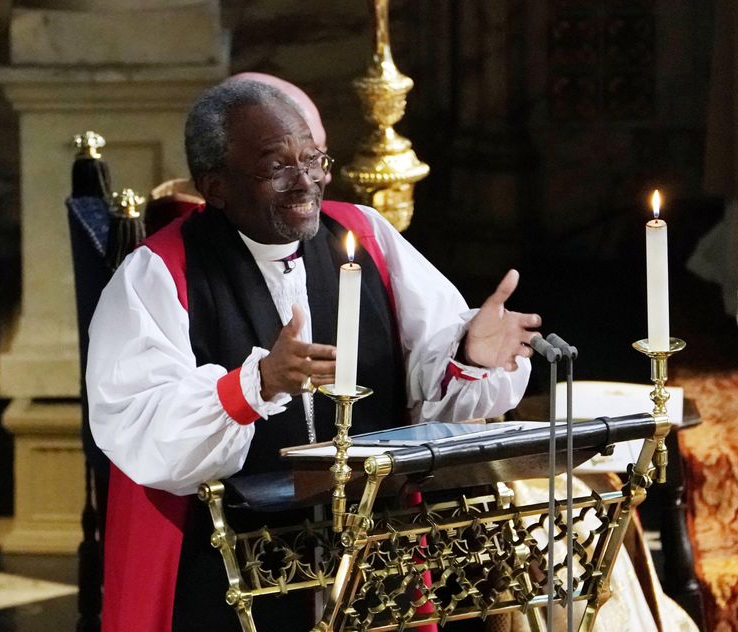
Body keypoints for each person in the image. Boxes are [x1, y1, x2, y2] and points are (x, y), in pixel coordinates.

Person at [86, 78, 541, 632]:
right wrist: (254, 386)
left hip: (369, 551)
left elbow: (428, 378)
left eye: (313, 158)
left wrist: (470, 353)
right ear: (216, 186)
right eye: (276, 166)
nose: (306, 181)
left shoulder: (364, 235)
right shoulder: (158, 273)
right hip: (226, 567)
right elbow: (140, 424)